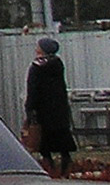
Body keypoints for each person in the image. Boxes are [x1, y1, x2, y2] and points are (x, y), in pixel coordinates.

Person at [25, 35, 74, 174]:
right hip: (59, 110)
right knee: (62, 139)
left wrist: (30, 108)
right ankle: (66, 163)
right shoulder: (57, 64)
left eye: (38, 47)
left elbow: (33, 89)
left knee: (43, 141)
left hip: (43, 110)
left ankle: (50, 167)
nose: (36, 49)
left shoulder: (36, 67)